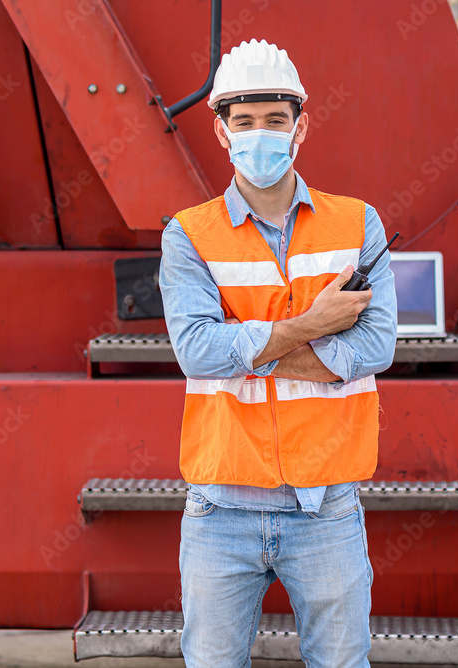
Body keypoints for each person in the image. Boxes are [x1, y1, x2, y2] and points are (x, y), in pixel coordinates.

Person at [158, 39, 397, 667]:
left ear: (301, 125)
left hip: (327, 503)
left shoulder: (358, 224)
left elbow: (375, 345)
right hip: (220, 507)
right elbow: (195, 352)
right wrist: (312, 325)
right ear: (220, 130)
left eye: (275, 119)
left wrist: (248, 346)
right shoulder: (188, 236)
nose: (259, 134)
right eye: (244, 121)